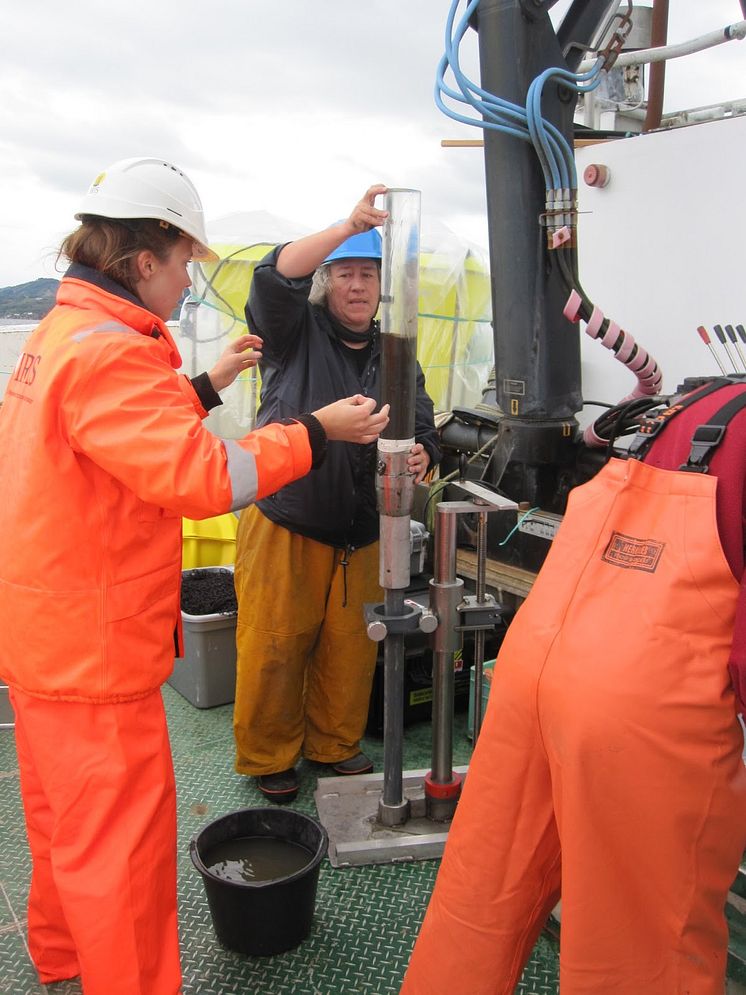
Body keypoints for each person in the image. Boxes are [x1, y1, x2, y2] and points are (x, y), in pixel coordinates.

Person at [0, 156, 389, 995]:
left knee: (62, 825)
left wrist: (205, 386)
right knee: (123, 856)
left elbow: (115, 437)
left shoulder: (62, 333)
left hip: (42, 640)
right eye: (184, 264)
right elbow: (202, 478)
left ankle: (61, 955)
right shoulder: (111, 351)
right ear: (146, 259)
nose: (186, 285)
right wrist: (315, 430)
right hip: (96, 659)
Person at [401, 377, 746, 995]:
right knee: (641, 951)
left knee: (481, 900)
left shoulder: (693, 404)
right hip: (635, 711)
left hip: (534, 662)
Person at [232, 184, 441, 803]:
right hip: (288, 517)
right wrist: (346, 224)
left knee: (351, 646)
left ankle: (334, 745)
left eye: (369, 275)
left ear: (383, 287)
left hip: (365, 526)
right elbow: (272, 278)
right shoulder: (293, 331)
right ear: (326, 282)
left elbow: (421, 416)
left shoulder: (394, 347)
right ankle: (270, 755)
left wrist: (429, 448)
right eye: (345, 273)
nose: (358, 286)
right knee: (275, 640)